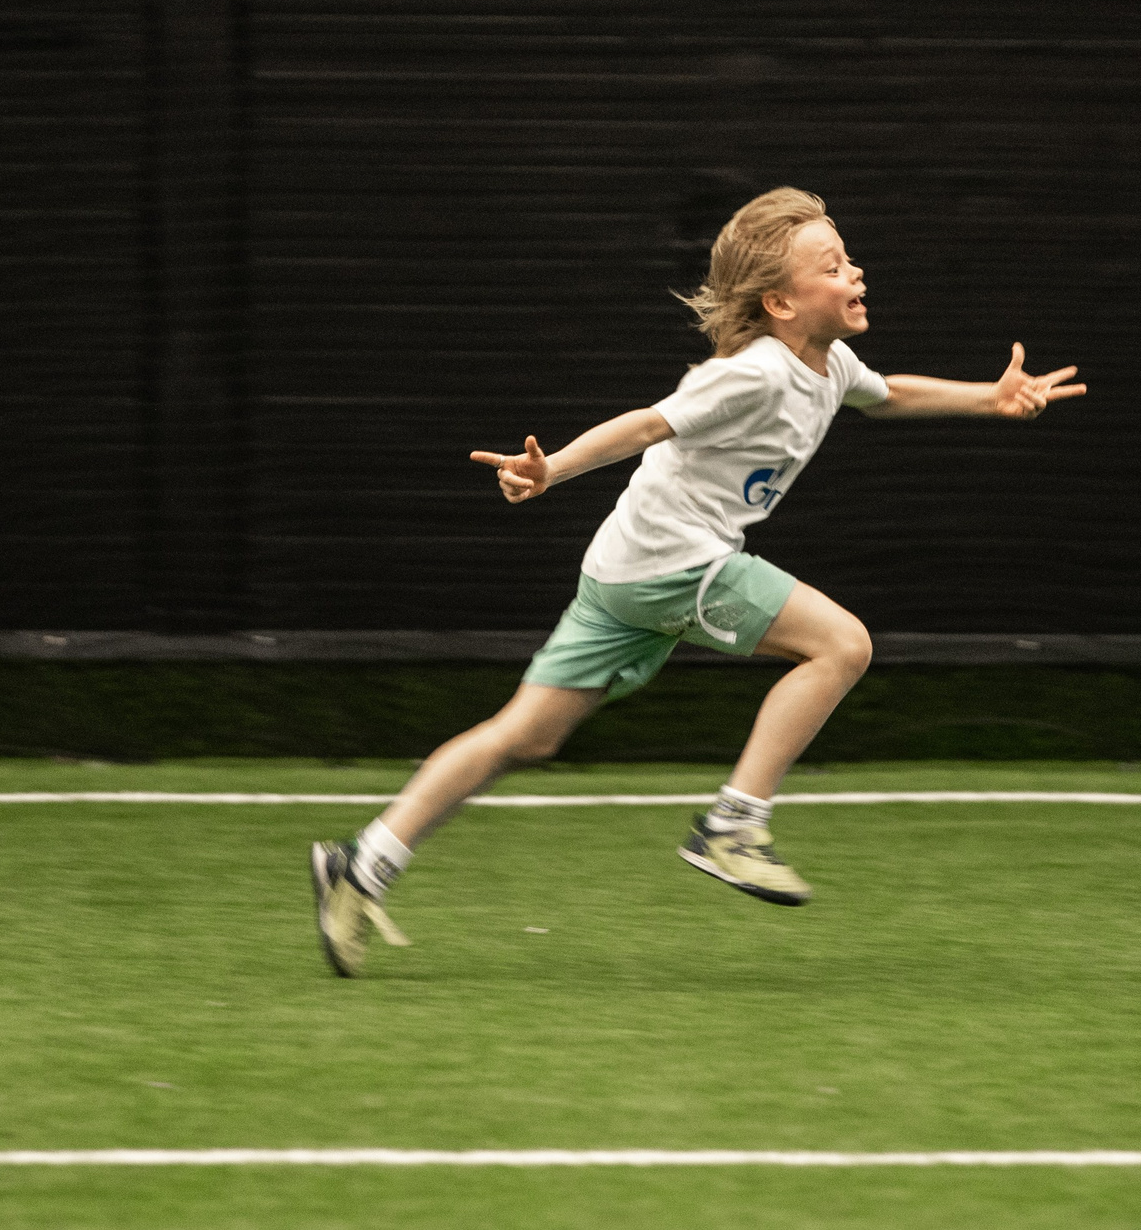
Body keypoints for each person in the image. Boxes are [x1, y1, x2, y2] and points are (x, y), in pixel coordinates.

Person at [311, 187, 1085, 975]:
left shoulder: (831, 362)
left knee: (526, 734)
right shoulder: (754, 373)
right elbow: (650, 421)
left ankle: (363, 860)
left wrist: (991, 397)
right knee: (841, 645)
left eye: (848, 258)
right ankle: (733, 824)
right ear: (780, 301)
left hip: (621, 570)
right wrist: (552, 471)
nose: (855, 273)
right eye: (832, 266)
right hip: (674, 563)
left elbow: (887, 396)